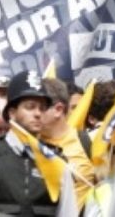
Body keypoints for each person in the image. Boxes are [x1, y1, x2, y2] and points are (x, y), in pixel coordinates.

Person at [0, 69, 75, 214]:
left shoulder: (57, 162)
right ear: (12, 112)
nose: (37, 113)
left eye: (42, 108)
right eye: (30, 107)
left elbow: (68, 213)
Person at [41, 77, 95, 210]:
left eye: (39, 107)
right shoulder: (27, 146)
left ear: (58, 109)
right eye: (30, 107)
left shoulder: (89, 142)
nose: (34, 113)